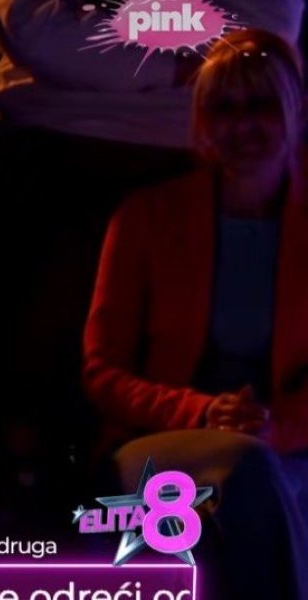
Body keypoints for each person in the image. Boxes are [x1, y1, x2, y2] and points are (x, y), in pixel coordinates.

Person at [84, 29, 308, 599]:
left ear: (295, 109)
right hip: (163, 441)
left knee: (260, 473)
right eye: (223, 108)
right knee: (250, 470)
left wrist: (277, 427)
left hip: (292, 442)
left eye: (260, 104)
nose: (242, 124)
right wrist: (203, 411)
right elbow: (102, 371)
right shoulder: (144, 218)